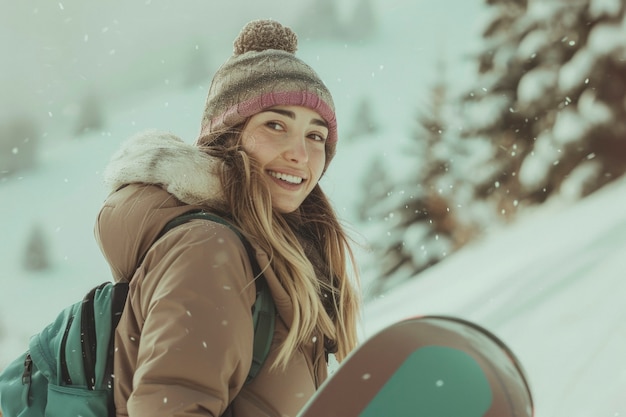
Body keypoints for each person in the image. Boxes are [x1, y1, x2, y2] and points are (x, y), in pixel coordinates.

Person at [95, 19, 361, 417]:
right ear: (228, 137)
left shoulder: (284, 255)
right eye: (276, 125)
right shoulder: (208, 249)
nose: (300, 155)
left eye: (315, 136)